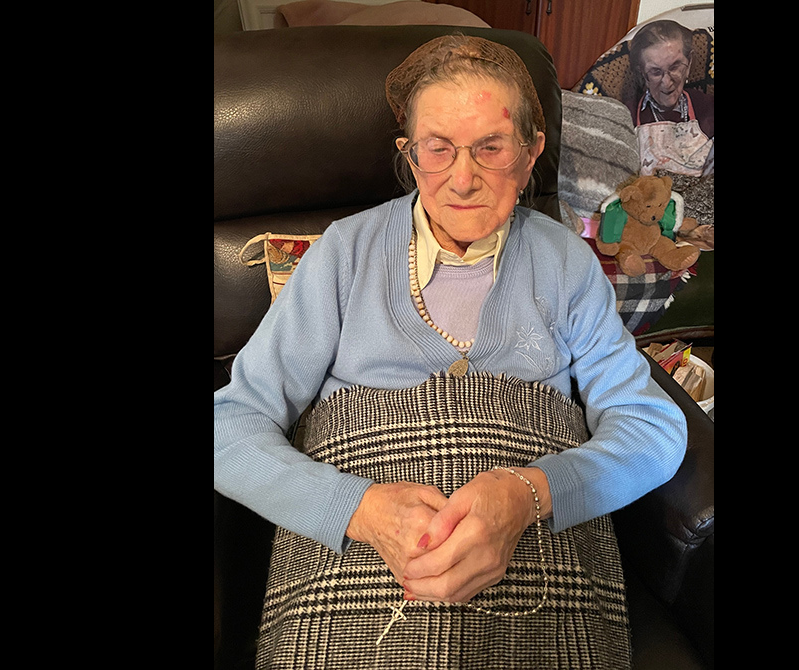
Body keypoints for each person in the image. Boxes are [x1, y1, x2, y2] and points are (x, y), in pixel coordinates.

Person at [214, 34, 687, 669]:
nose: (461, 179)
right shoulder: (343, 254)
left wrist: (529, 494)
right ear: (409, 156)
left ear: (530, 155)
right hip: (354, 573)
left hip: (541, 575)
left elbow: (653, 429)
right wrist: (359, 509)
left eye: (490, 148)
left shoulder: (565, 262)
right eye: (437, 149)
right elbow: (228, 427)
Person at [626, 20, 714, 176]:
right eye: (655, 72)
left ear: (689, 62)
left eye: (674, 67)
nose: (667, 82)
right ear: (642, 73)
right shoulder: (627, 116)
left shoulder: (709, 107)